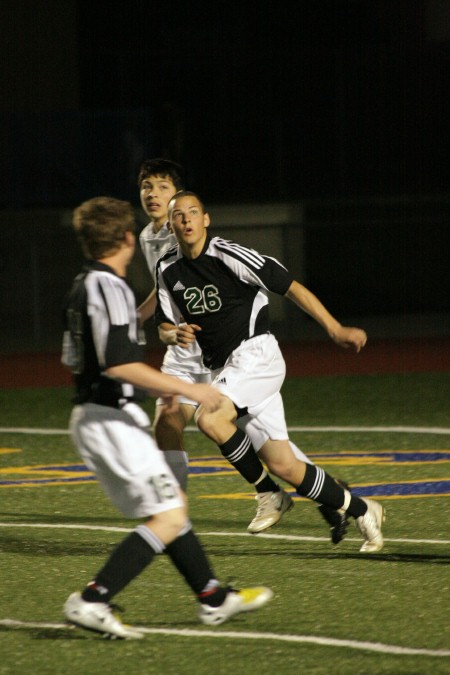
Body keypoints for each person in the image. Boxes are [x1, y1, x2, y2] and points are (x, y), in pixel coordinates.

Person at [61, 196, 273, 639]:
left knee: (171, 508)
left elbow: (75, 357)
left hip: (97, 415)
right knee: (170, 516)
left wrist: (161, 391)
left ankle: (213, 597)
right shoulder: (111, 286)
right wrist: (184, 388)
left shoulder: (82, 285)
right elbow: (118, 364)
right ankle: (92, 598)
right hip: (110, 420)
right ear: (125, 238)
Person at [155, 191, 386, 554]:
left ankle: (268, 494)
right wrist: (174, 333)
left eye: (193, 213)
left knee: (210, 418)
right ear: (170, 225)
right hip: (227, 370)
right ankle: (363, 508)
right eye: (179, 216)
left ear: (206, 219)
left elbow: (290, 286)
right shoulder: (167, 268)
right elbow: (164, 325)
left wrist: (334, 328)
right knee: (285, 464)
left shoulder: (228, 254)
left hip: (255, 356)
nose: (186, 221)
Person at [137, 158, 347, 541]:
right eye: (146, 186)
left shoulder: (191, 228)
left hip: (229, 349)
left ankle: (326, 497)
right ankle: (175, 515)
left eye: (162, 187)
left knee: (260, 441)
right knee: (166, 426)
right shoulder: (149, 237)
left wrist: (333, 327)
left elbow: (210, 271)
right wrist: (157, 325)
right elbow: (165, 286)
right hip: (186, 353)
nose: (153, 194)